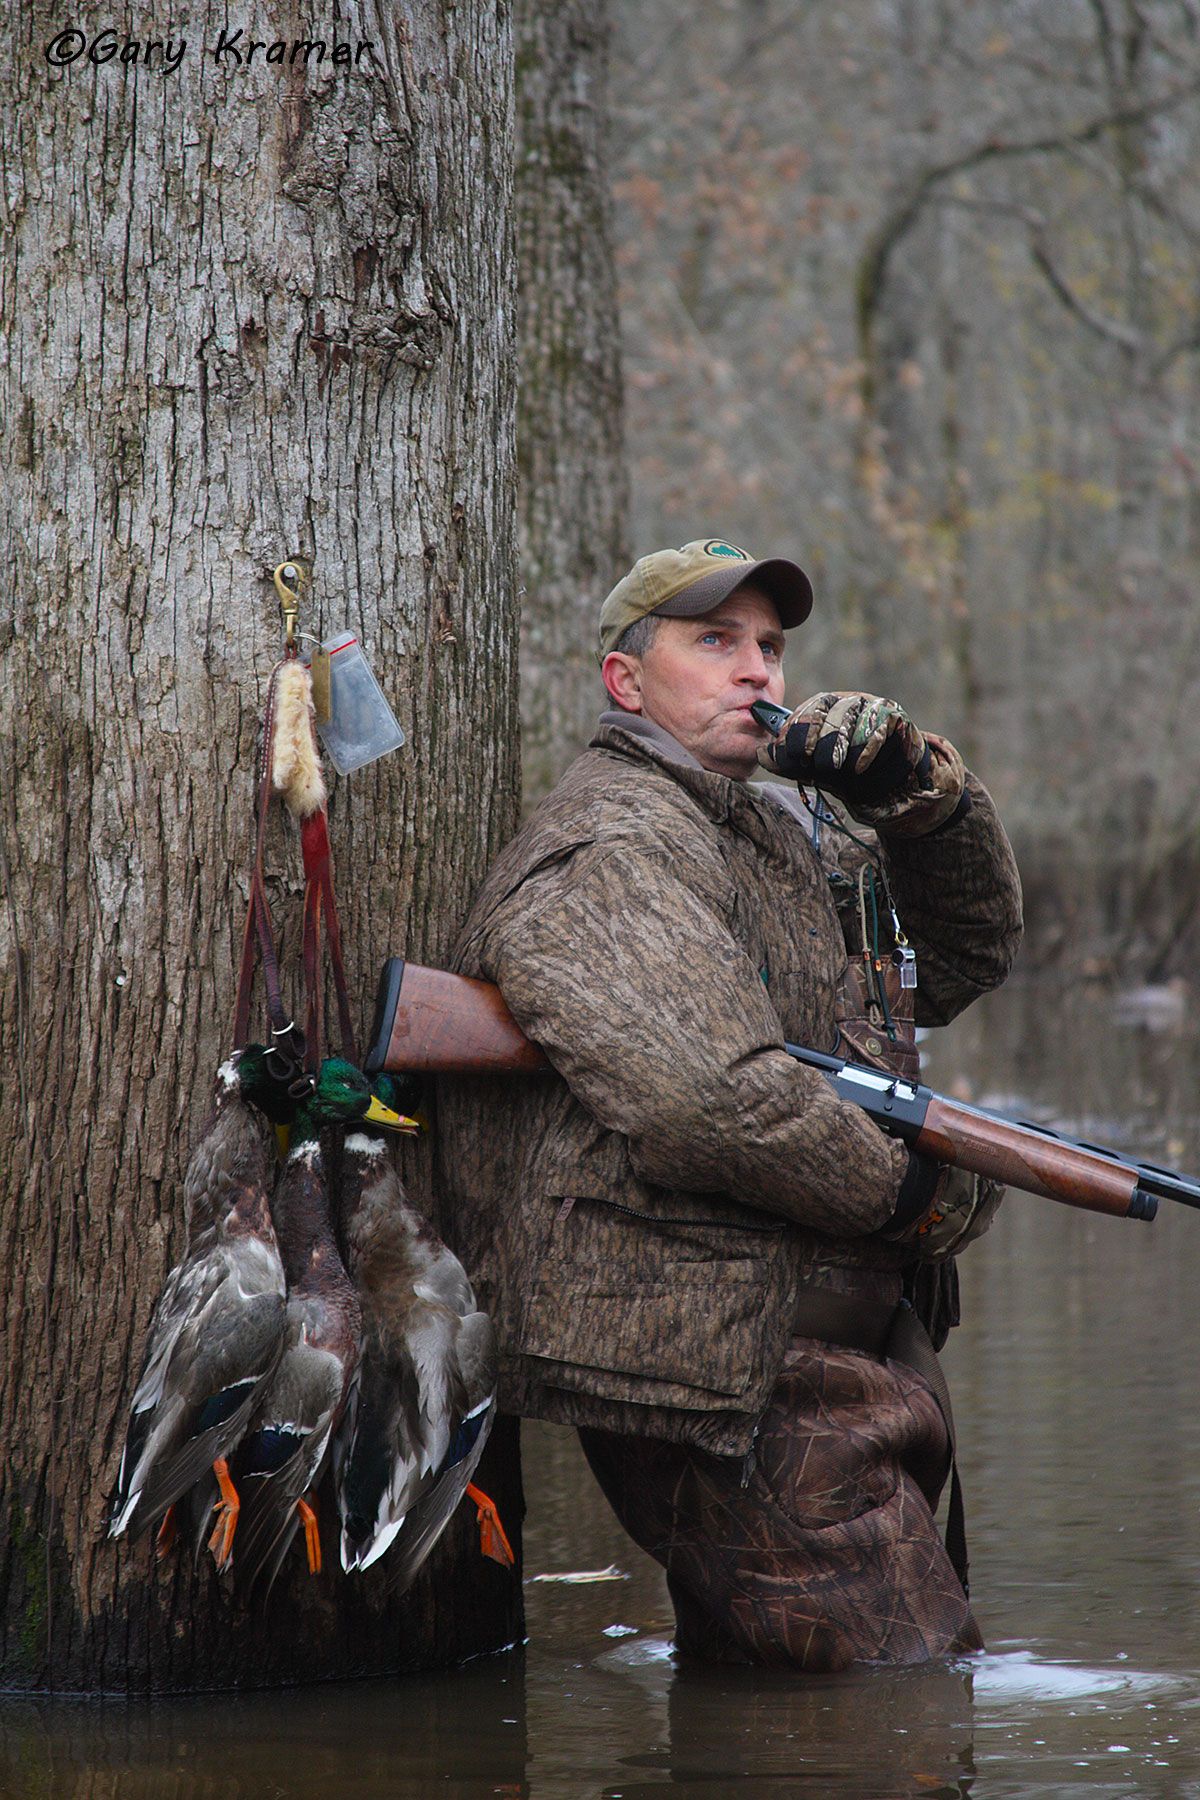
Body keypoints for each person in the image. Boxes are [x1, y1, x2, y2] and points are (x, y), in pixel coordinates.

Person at [435, 538, 1023, 1669]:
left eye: (769, 645)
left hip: (816, 1362)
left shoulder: (776, 828)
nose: (759, 671)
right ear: (627, 681)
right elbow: (706, 1098)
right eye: (716, 642)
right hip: (728, 1374)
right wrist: (917, 1193)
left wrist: (924, 804)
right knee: (894, 1715)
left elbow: (961, 963)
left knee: (799, 1711)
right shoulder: (614, 840)